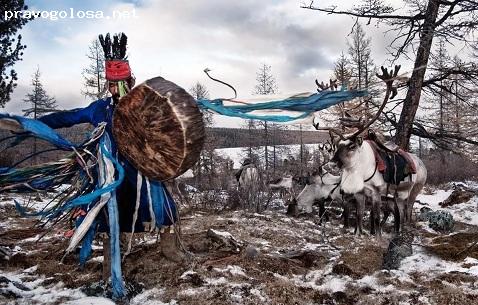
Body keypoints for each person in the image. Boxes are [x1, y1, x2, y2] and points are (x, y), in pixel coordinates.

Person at [37, 33, 185, 265]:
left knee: (162, 207)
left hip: (142, 171)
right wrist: (35, 124)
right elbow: (69, 116)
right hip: (110, 174)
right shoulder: (99, 109)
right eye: (112, 84)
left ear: (130, 82)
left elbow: (166, 126)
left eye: (121, 83)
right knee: (111, 215)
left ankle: (171, 249)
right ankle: (112, 262)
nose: (116, 89)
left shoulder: (143, 104)